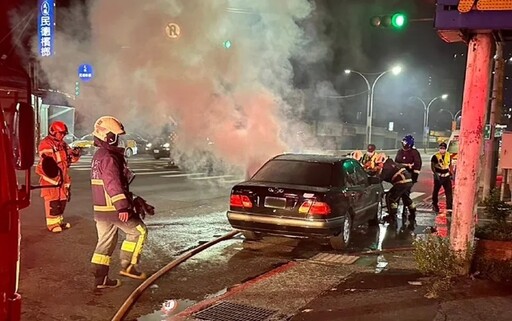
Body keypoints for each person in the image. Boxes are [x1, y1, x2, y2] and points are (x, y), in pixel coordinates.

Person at [90, 116, 148, 290]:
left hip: (101, 209)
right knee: (139, 231)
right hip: (113, 208)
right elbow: (112, 182)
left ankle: (100, 280)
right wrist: (122, 206)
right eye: (116, 135)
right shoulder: (108, 157)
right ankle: (129, 266)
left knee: (105, 243)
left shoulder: (99, 155)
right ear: (109, 136)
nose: (118, 139)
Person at [35, 121, 80, 233]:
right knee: (53, 202)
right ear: (53, 132)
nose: (63, 135)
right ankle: (52, 225)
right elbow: (49, 161)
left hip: (62, 178)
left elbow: (71, 160)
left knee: (62, 201)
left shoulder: (63, 144)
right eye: (61, 133)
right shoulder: (46, 144)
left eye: (64, 133)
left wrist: (75, 154)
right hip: (51, 179)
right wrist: (66, 154)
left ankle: (59, 222)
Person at [376, 157, 417, 231]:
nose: (377, 166)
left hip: (401, 183)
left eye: (378, 164)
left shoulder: (386, 168)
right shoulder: (392, 163)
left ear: (382, 162)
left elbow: (380, 179)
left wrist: (375, 174)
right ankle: (413, 213)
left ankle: (392, 216)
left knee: (390, 197)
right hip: (408, 181)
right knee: (406, 198)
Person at [394, 135, 422, 226]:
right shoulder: (400, 152)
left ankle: (411, 211)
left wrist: (414, 178)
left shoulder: (414, 153)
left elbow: (417, 166)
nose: (403, 144)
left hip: (409, 178)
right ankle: (395, 212)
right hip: (399, 177)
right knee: (397, 194)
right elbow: (396, 163)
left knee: (405, 194)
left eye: (405, 142)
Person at [431, 142, 453, 213]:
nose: (442, 149)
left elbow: (450, 165)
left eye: (443, 148)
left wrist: (451, 174)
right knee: (436, 191)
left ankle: (449, 206)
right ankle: (434, 204)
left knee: (449, 192)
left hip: (446, 176)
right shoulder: (435, 156)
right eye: (441, 148)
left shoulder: (448, 155)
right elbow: (432, 166)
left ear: (445, 149)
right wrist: (435, 174)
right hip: (439, 176)